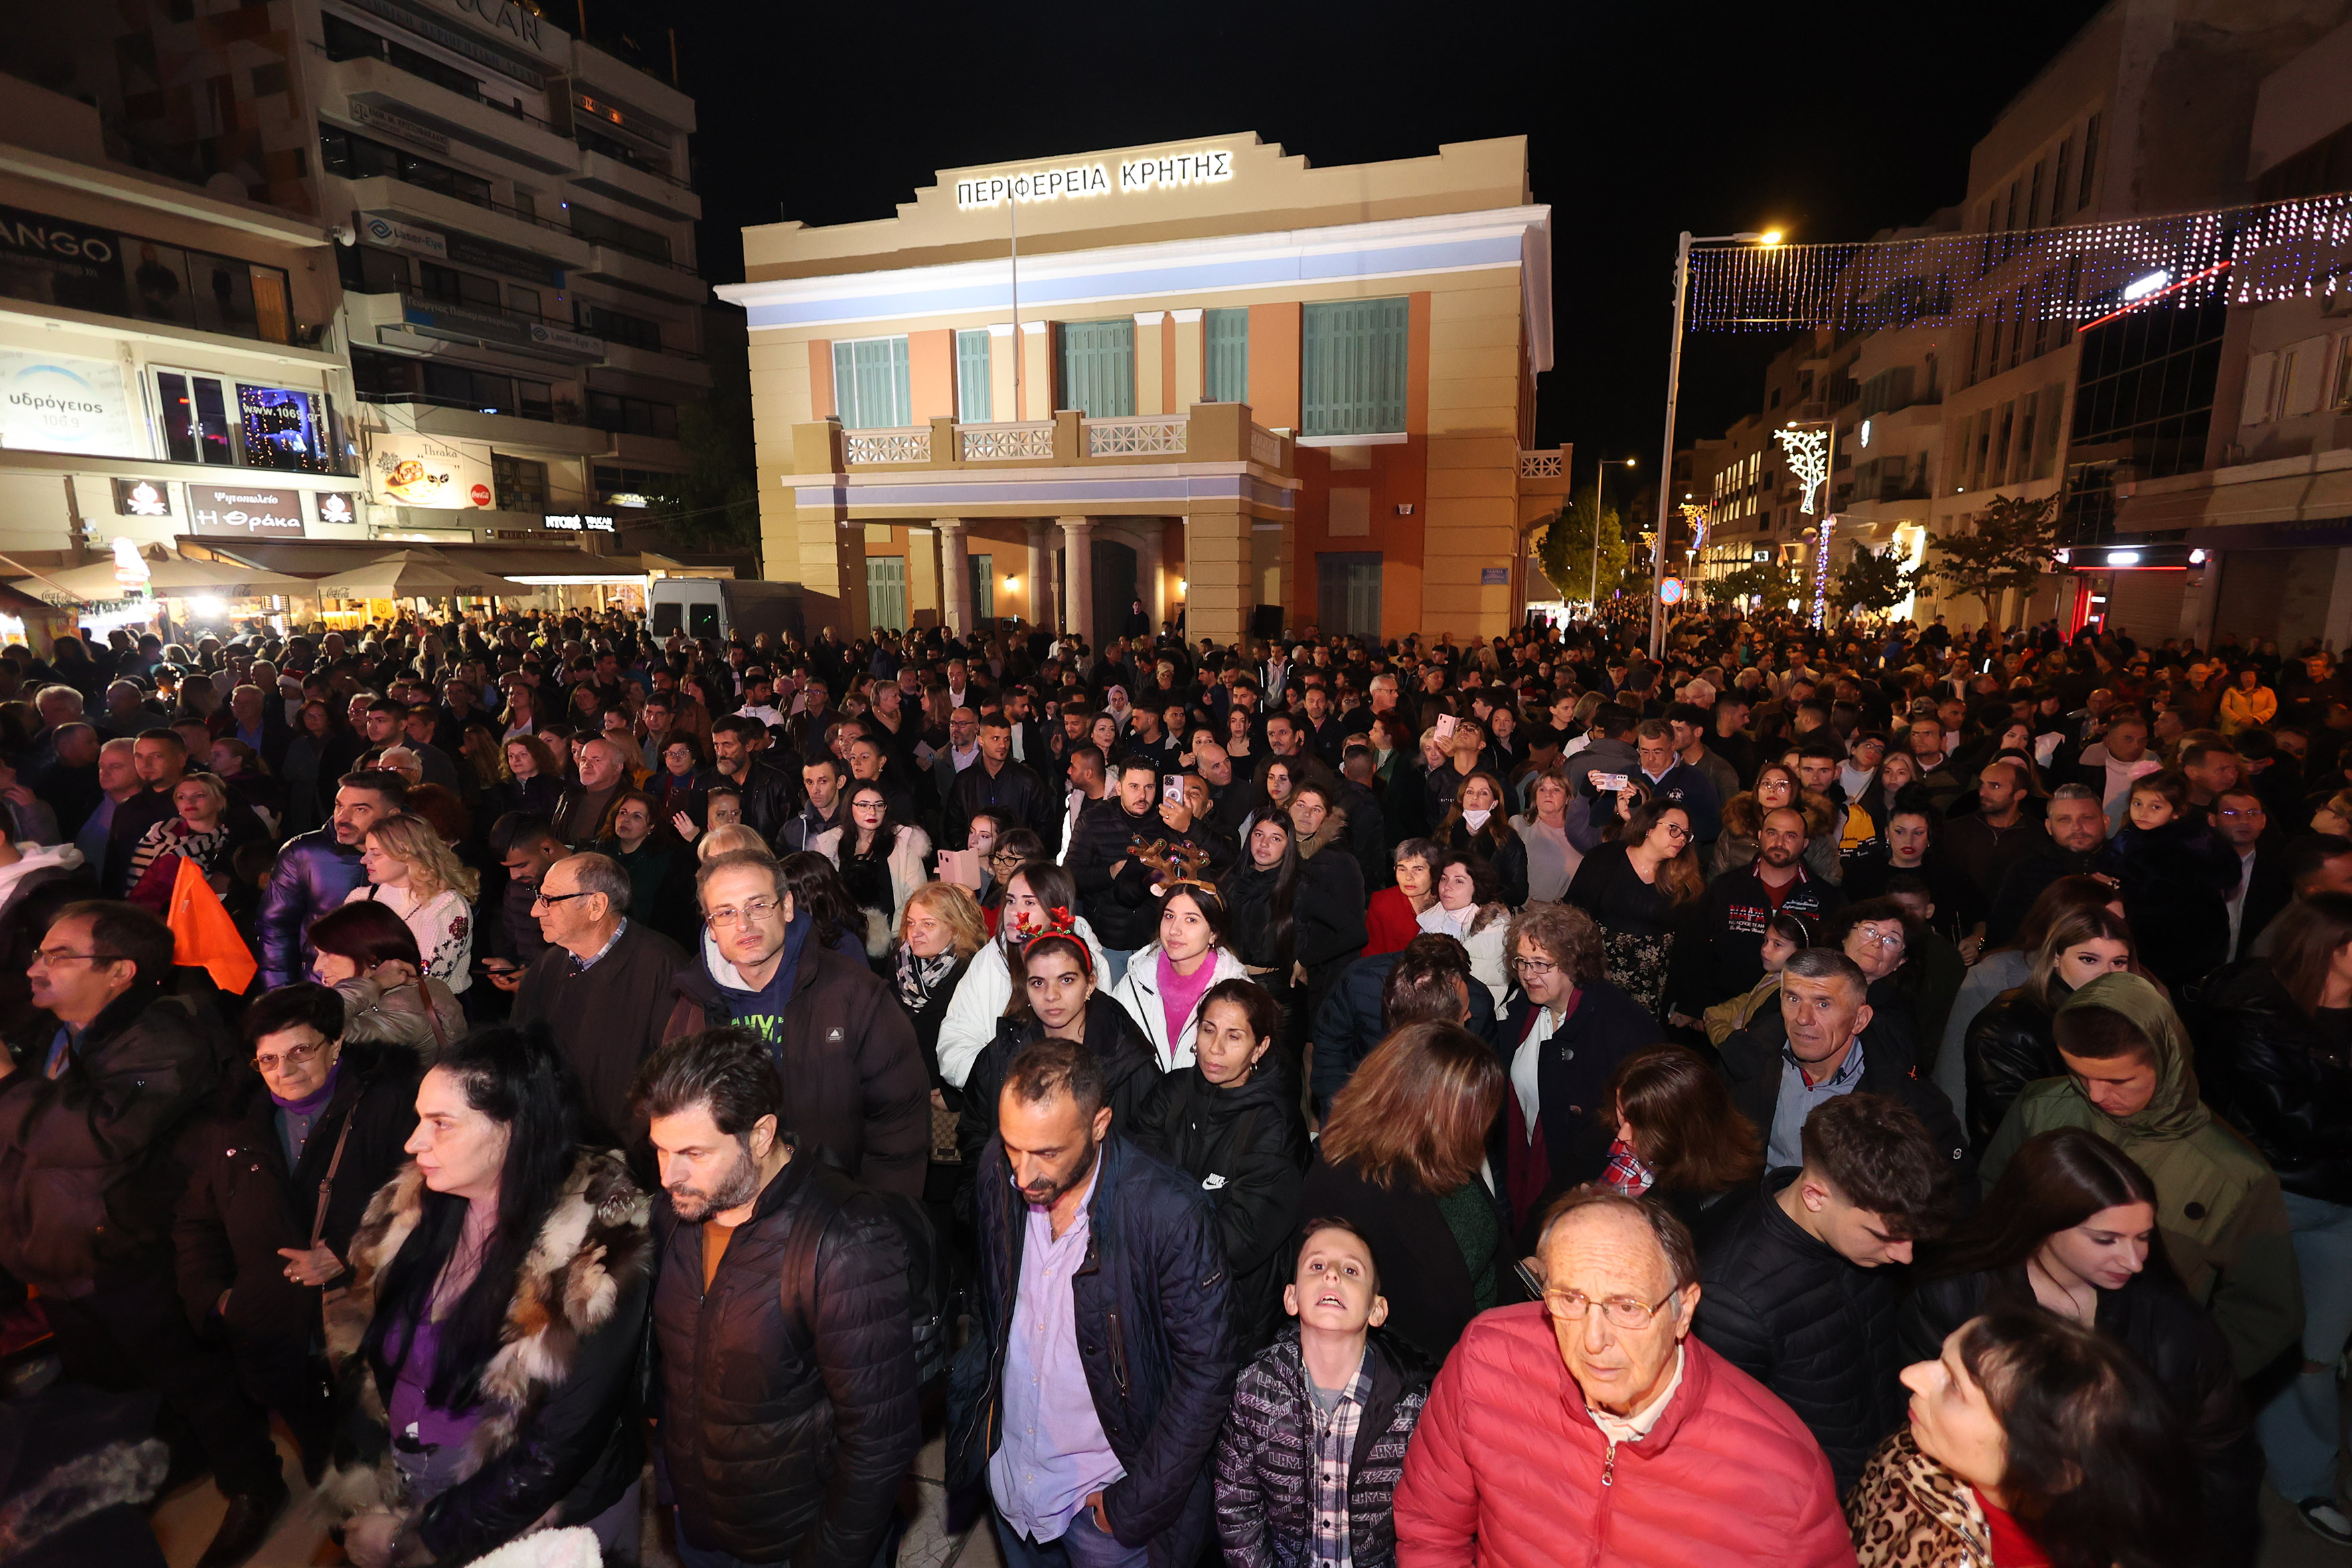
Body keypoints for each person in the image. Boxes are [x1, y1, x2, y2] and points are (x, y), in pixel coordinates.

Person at [0, 900, 287, 1568]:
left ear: (120, 971)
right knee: (108, 1388)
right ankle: (153, 1465)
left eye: (58, 956)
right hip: (62, 1255)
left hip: (134, 1255)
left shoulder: (165, 1038)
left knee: (196, 1381)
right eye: (38, 952)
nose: (36, 968)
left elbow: (94, 1135)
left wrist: (8, 1086)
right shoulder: (54, 1031)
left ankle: (253, 1483)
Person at [324, 1027, 653, 1567]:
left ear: (513, 1130)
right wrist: (363, 1482)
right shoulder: (409, 1212)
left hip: (535, 1520)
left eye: (441, 1124)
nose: (413, 1142)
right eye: (420, 1119)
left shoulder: (595, 1250)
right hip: (413, 1488)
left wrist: (427, 1539)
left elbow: (561, 1443)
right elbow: (364, 1355)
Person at [1393, 1187, 1852, 1568]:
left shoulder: (1782, 1475)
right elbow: (1429, 1530)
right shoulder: (1487, 1361)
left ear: (1683, 1311)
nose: (1593, 1340)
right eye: (1570, 1299)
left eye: (1627, 1307)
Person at [1901, 1129, 2261, 1563]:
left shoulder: (2173, 1322)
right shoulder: (1955, 1297)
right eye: (2105, 1240)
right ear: (2041, 1223)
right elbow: (1921, 1431)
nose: (2134, 1261)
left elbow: (2223, 1461)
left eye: (2143, 1237)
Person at [636, 1026, 922, 1568]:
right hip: (700, 1529)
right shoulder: (676, 1214)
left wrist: (823, 1558)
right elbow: (672, 1374)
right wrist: (673, 1488)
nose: (670, 1176)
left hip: (795, 1541)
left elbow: (879, 1442)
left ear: (761, 1135)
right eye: (661, 1151)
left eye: (694, 1152)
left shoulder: (844, 1239)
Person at [948, 1036, 1237, 1568]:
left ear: (1099, 1124)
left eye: (1047, 1153)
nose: (1022, 1174)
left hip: (1103, 1511)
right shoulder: (998, 1169)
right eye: (1013, 1146)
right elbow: (993, 1312)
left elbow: (1206, 1375)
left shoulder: (1168, 1215)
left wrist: (1131, 1508)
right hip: (1012, 1486)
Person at [1982, 971, 2302, 1378]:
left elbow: (2265, 1313)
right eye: (2080, 1074)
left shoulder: (2235, 1175)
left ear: (2166, 1062)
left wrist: (2179, 1380)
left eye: (2119, 1080)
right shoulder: (2039, 1108)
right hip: (2012, 1348)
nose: (2096, 1094)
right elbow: (1990, 1210)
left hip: (2131, 1377)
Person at [173, 982, 419, 1480]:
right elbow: (197, 1222)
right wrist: (221, 1300)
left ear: (336, 1044)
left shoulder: (390, 1105)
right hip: (277, 1333)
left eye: (300, 1051)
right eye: (268, 1060)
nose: (284, 1071)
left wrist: (348, 1251)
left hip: (371, 1328)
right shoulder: (234, 1127)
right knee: (324, 1461)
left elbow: (425, 1198)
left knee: (392, 1457)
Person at [2185, 892, 2352, 1541]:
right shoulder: (2256, 1015)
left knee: (2317, 1352)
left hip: (2341, 1204)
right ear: (2330, 950)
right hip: (2279, 1199)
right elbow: (2294, 1124)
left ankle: (2308, 1476)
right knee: (2257, 1344)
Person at [1696, 1091, 1951, 1492]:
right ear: (1814, 1196)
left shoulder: (1857, 1240)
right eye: (1885, 1236)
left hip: (1885, 1472)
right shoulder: (1728, 1301)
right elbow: (1732, 1453)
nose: (1906, 1256)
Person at [1849, 1310, 2199, 1568]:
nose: (1910, 1375)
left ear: (2050, 1470)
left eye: (1956, 1386)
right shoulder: (1913, 1454)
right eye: (1942, 1360)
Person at [678, 850, 929, 1198]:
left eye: (757, 906)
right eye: (725, 912)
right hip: (728, 1206)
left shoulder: (855, 993)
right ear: (711, 926)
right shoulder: (693, 1003)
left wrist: (875, 1216)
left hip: (836, 1207)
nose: (743, 925)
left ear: (787, 907)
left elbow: (899, 1123)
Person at [1214, 1216, 1429, 1568]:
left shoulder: (1411, 1407)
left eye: (1350, 1270)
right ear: (1292, 1297)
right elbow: (1237, 1505)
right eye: (1317, 1266)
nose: (1331, 1275)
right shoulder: (1255, 1389)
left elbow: (1427, 1522)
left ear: (1377, 1310)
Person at [1302, 1021, 1506, 1364]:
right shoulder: (1348, 1187)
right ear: (1428, 1108)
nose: (1483, 1123)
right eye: (1474, 1110)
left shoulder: (1440, 1148)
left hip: (1492, 1341)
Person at [1132, 977, 1308, 1349]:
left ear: (1260, 1048)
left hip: (1231, 1313)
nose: (1215, 1048)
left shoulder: (1275, 1126)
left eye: (1234, 1036)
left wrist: (1155, 1238)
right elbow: (1126, 1181)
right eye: (1208, 1030)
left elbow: (1241, 1238)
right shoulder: (1172, 1092)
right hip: (1153, 1293)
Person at [1719, 945, 1970, 1176]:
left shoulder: (1906, 1100)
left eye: (1823, 1004)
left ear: (1860, 1020)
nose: (1803, 1018)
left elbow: (1953, 1189)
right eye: (1793, 999)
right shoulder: (1744, 1064)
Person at [510, 849, 692, 1152]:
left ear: (596, 906)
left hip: (628, 1156)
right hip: (556, 1147)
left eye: (549, 900)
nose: (535, 911)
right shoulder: (547, 966)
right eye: (539, 897)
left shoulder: (664, 968)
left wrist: (634, 1149)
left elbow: (680, 1079)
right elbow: (520, 1057)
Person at [1494, 902, 1656, 1233]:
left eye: (1541, 964)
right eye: (1521, 962)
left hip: (1576, 1180)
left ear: (1574, 963)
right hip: (1522, 1163)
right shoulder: (1524, 1007)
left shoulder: (1622, 1026)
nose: (1527, 974)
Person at [958, 923, 1162, 1178]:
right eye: (1038, 983)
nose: (1051, 995)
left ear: (1090, 984)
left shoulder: (1129, 1059)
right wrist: (990, 1194)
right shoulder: (1002, 1053)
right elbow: (975, 1134)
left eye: (1066, 980)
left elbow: (1149, 1155)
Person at [1963, 905, 2138, 1151]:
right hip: (2040, 1164)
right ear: (2056, 957)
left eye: (2118, 962)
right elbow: (2021, 1128)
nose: (2105, 975)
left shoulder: (2132, 1015)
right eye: (2089, 960)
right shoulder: (2006, 1026)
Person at [935, 860, 1111, 1091]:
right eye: (1010, 901)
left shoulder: (1089, 966)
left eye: (1029, 902)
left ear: (1056, 909)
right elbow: (956, 1038)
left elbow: (1100, 1052)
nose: (1014, 912)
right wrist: (1002, 1085)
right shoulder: (991, 958)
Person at [1672, 803, 1844, 1018]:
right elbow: (1696, 948)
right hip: (1720, 1009)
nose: (1779, 843)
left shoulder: (1825, 897)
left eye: (1790, 836)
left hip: (1792, 1015)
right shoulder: (1725, 887)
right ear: (1760, 836)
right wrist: (1693, 1007)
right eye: (1772, 833)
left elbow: (1834, 962)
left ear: (1805, 844)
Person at [1067, 757, 1224, 982]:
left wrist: (1187, 827)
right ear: (1119, 788)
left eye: (1149, 787)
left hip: (1156, 942)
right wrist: (1110, 872)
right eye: (1134, 787)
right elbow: (1070, 876)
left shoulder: (1167, 820)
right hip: (1107, 941)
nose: (1142, 795)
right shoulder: (1093, 820)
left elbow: (1221, 857)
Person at [1599, 1044, 1765, 1253]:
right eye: (1621, 1113)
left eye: (1641, 1127)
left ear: (1685, 1130)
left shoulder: (1718, 1204)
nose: (1622, 1136)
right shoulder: (1603, 1133)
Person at [258, 769, 407, 988]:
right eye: (339, 806)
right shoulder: (303, 853)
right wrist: (280, 993)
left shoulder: (413, 855)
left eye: (360, 809)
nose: (343, 818)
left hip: (393, 992)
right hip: (318, 989)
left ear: (393, 815)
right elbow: (276, 929)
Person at [1565, 799, 1702, 1017]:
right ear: (1649, 827)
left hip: (1651, 985)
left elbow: (1690, 944)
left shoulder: (1684, 877)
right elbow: (1573, 914)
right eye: (1674, 829)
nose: (1681, 839)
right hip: (1598, 973)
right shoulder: (1605, 857)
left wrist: (1686, 1001)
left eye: (1686, 834)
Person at [1107, 880, 1251, 1071]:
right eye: (1169, 916)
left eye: (1191, 920)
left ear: (1213, 933)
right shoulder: (1136, 980)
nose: (1174, 930)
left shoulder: (1238, 994)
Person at [307, 900, 465, 1059]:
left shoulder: (404, 1008)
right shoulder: (382, 995)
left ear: (370, 958)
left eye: (328, 954)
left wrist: (376, 982)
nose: (317, 967)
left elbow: (315, 1030)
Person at [344, 811, 477, 994]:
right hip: (364, 1003)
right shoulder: (358, 899)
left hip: (426, 1007)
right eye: (366, 851)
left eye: (376, 853)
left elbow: (430, 979)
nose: (364, 860)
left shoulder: (446, 905)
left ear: (408, 855)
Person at [890, 880, 987, 1111]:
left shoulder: (973, 970)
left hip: (944, 1097)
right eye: (911, 923)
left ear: (955, 928)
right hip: (899, 1089)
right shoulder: (900, 962)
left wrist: (955, 1097)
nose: (915, 933)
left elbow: (985, 1046)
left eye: (928, 924)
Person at [816, 780, 933, 957]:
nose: (872, 812)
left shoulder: (904, 843)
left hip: (895, 940)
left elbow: (916, 896)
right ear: (850, 807)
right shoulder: (830, 844)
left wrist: (890, 934)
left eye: (879, 805)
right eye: (863, 805)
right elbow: (826, 899)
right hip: (845, 940)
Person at [123, 771, 257, 913]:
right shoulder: (158, 835)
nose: (189, 802)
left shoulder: (233, 842)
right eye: (182, 797)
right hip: (148, 916)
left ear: (220, 801)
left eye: (199, 795)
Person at [1418, 848, 1512, 1012]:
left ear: (1477, 887)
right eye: (1444, 879)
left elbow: (1490, 989)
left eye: (1459, 881)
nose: (1447, 887)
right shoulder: (1430, 918)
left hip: (1474, 1013)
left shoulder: (1496, 930)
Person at [1511, 767, 1585, 905]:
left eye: (1556, 790)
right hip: (1526, 910)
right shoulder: (1518, 824)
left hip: (1568, 912)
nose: (1548, 794)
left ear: (1568, 798)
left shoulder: (1580, 832)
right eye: (1542, 789)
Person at [1367, 838, 1440, 955]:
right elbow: (1372, 955)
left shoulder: (1446, 902)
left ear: (1434, 872)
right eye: (1402, 869)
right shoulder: (1382, 903)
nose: (1408, 877)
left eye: (1418, 870)